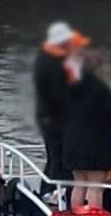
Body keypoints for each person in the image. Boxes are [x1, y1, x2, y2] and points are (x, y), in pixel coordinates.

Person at [62, 50, 111, 211]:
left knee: (79, 184)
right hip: (95, 147)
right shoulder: (101, 90)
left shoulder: (71, 89)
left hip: (73, 145)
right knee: (95, 187)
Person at [33, 21, 86, 182]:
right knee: (62, 162)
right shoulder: (54, 64)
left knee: (53, 159)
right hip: (57, 121)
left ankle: (47, 191)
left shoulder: (44, 58)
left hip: (47, 117)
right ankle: (57, 195)